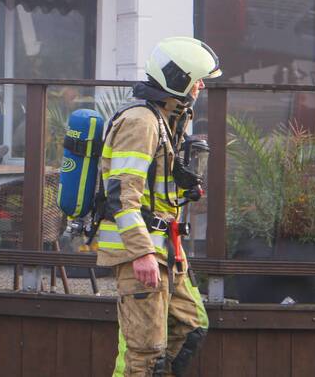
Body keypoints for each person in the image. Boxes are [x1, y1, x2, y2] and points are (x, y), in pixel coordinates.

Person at [97, 37, 220, 376]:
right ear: (178, 80)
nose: (201, 86)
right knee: (144, 354)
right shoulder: (141, 122)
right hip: (141, 251)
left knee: (191, 325)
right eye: (196, 79)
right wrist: (141, 253)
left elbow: (150, 184)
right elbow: (122, 194)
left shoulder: (163, 119)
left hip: (165, 249)